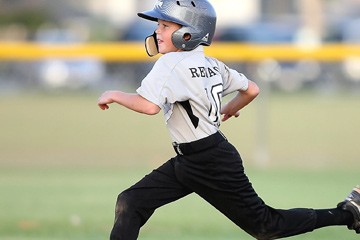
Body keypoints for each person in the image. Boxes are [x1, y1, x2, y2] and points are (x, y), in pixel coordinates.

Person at [97, 0, 360, 239]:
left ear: (188, 33)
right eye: (158, 25)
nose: (157, 31)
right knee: (131, 201)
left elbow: (149, 106)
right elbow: (252, 89)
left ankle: (349, 212)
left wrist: (115, 94)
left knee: (267, 226)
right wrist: (229, 107)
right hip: (195, 158)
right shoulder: (212, 64)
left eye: (165, 26)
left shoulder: (169, 65)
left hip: (209, 162)